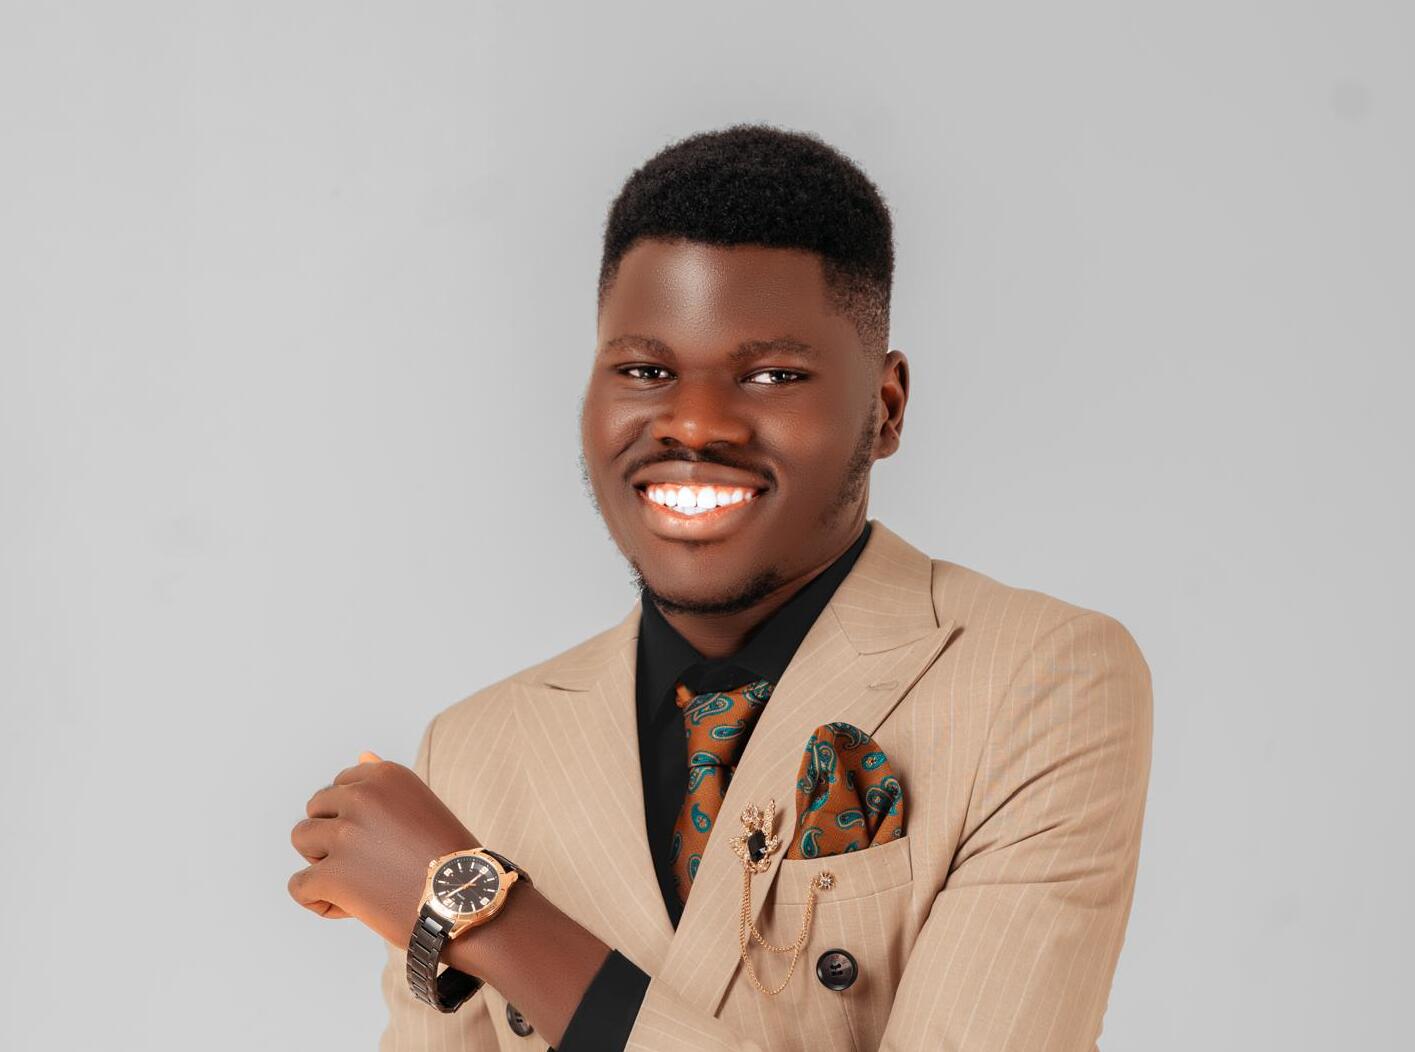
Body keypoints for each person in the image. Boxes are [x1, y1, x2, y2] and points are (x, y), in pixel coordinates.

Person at [287, 123, 1154, 1050]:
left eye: (772, 375)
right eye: (645, 370)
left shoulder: (1040, 678)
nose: (695, 424)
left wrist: (487, 917)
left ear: (885, 407)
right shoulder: (475, 746)